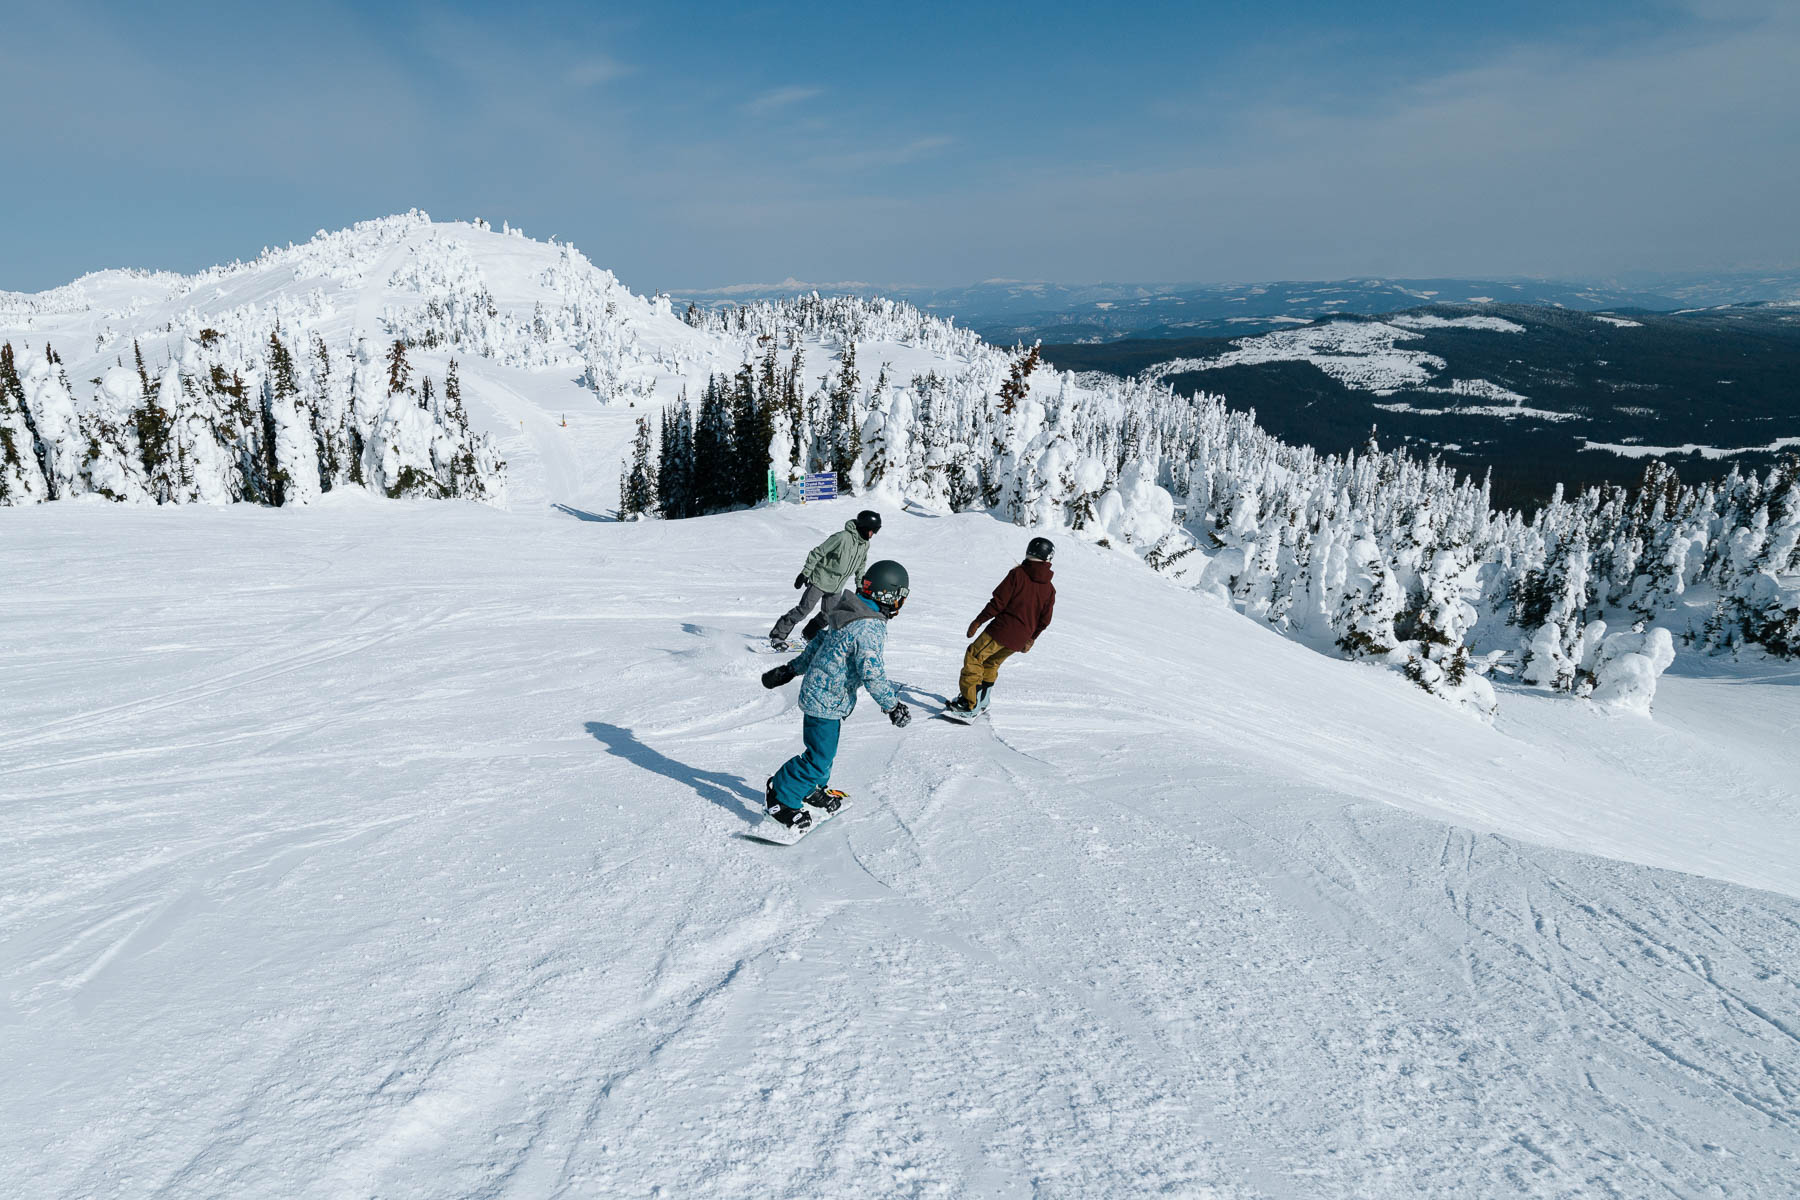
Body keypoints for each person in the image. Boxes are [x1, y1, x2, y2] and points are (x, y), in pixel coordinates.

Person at [759, 560, 913, 832]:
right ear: (887, 596)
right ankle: (781, 796)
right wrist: (892, 706)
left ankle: (811, 787)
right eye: (900, 596)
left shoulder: (851, 610)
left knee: (824, 753)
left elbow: (819, 643)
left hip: (825, 696)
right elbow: (872, 673)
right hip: (825, 701)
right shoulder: (868, 627)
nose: (900, 604)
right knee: (818, 756)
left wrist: (791, 669)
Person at [948, 536, 1056, 715]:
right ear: (1048, 558)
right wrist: (1031, 638)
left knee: (974, 657)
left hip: (1001, 631)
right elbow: (1045, 620)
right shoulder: (1049, 589)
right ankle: (982, 700)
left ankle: (969, 704)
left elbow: (998, 602)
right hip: (1019, 639)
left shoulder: (1018, 574)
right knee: (991, 663)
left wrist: (978, 621)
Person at [769, 509, 882, 650]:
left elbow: (861, 565)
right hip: (820, 580)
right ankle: (778, 635)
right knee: (804, 609)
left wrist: (860, 584)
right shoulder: (842, 538)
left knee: (830, 616)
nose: (872, 535)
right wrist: (805, 573)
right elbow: (818, 552)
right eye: (872, 531)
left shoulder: (865, 545)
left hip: (836, 586)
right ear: (864, 527)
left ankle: (809, 634)